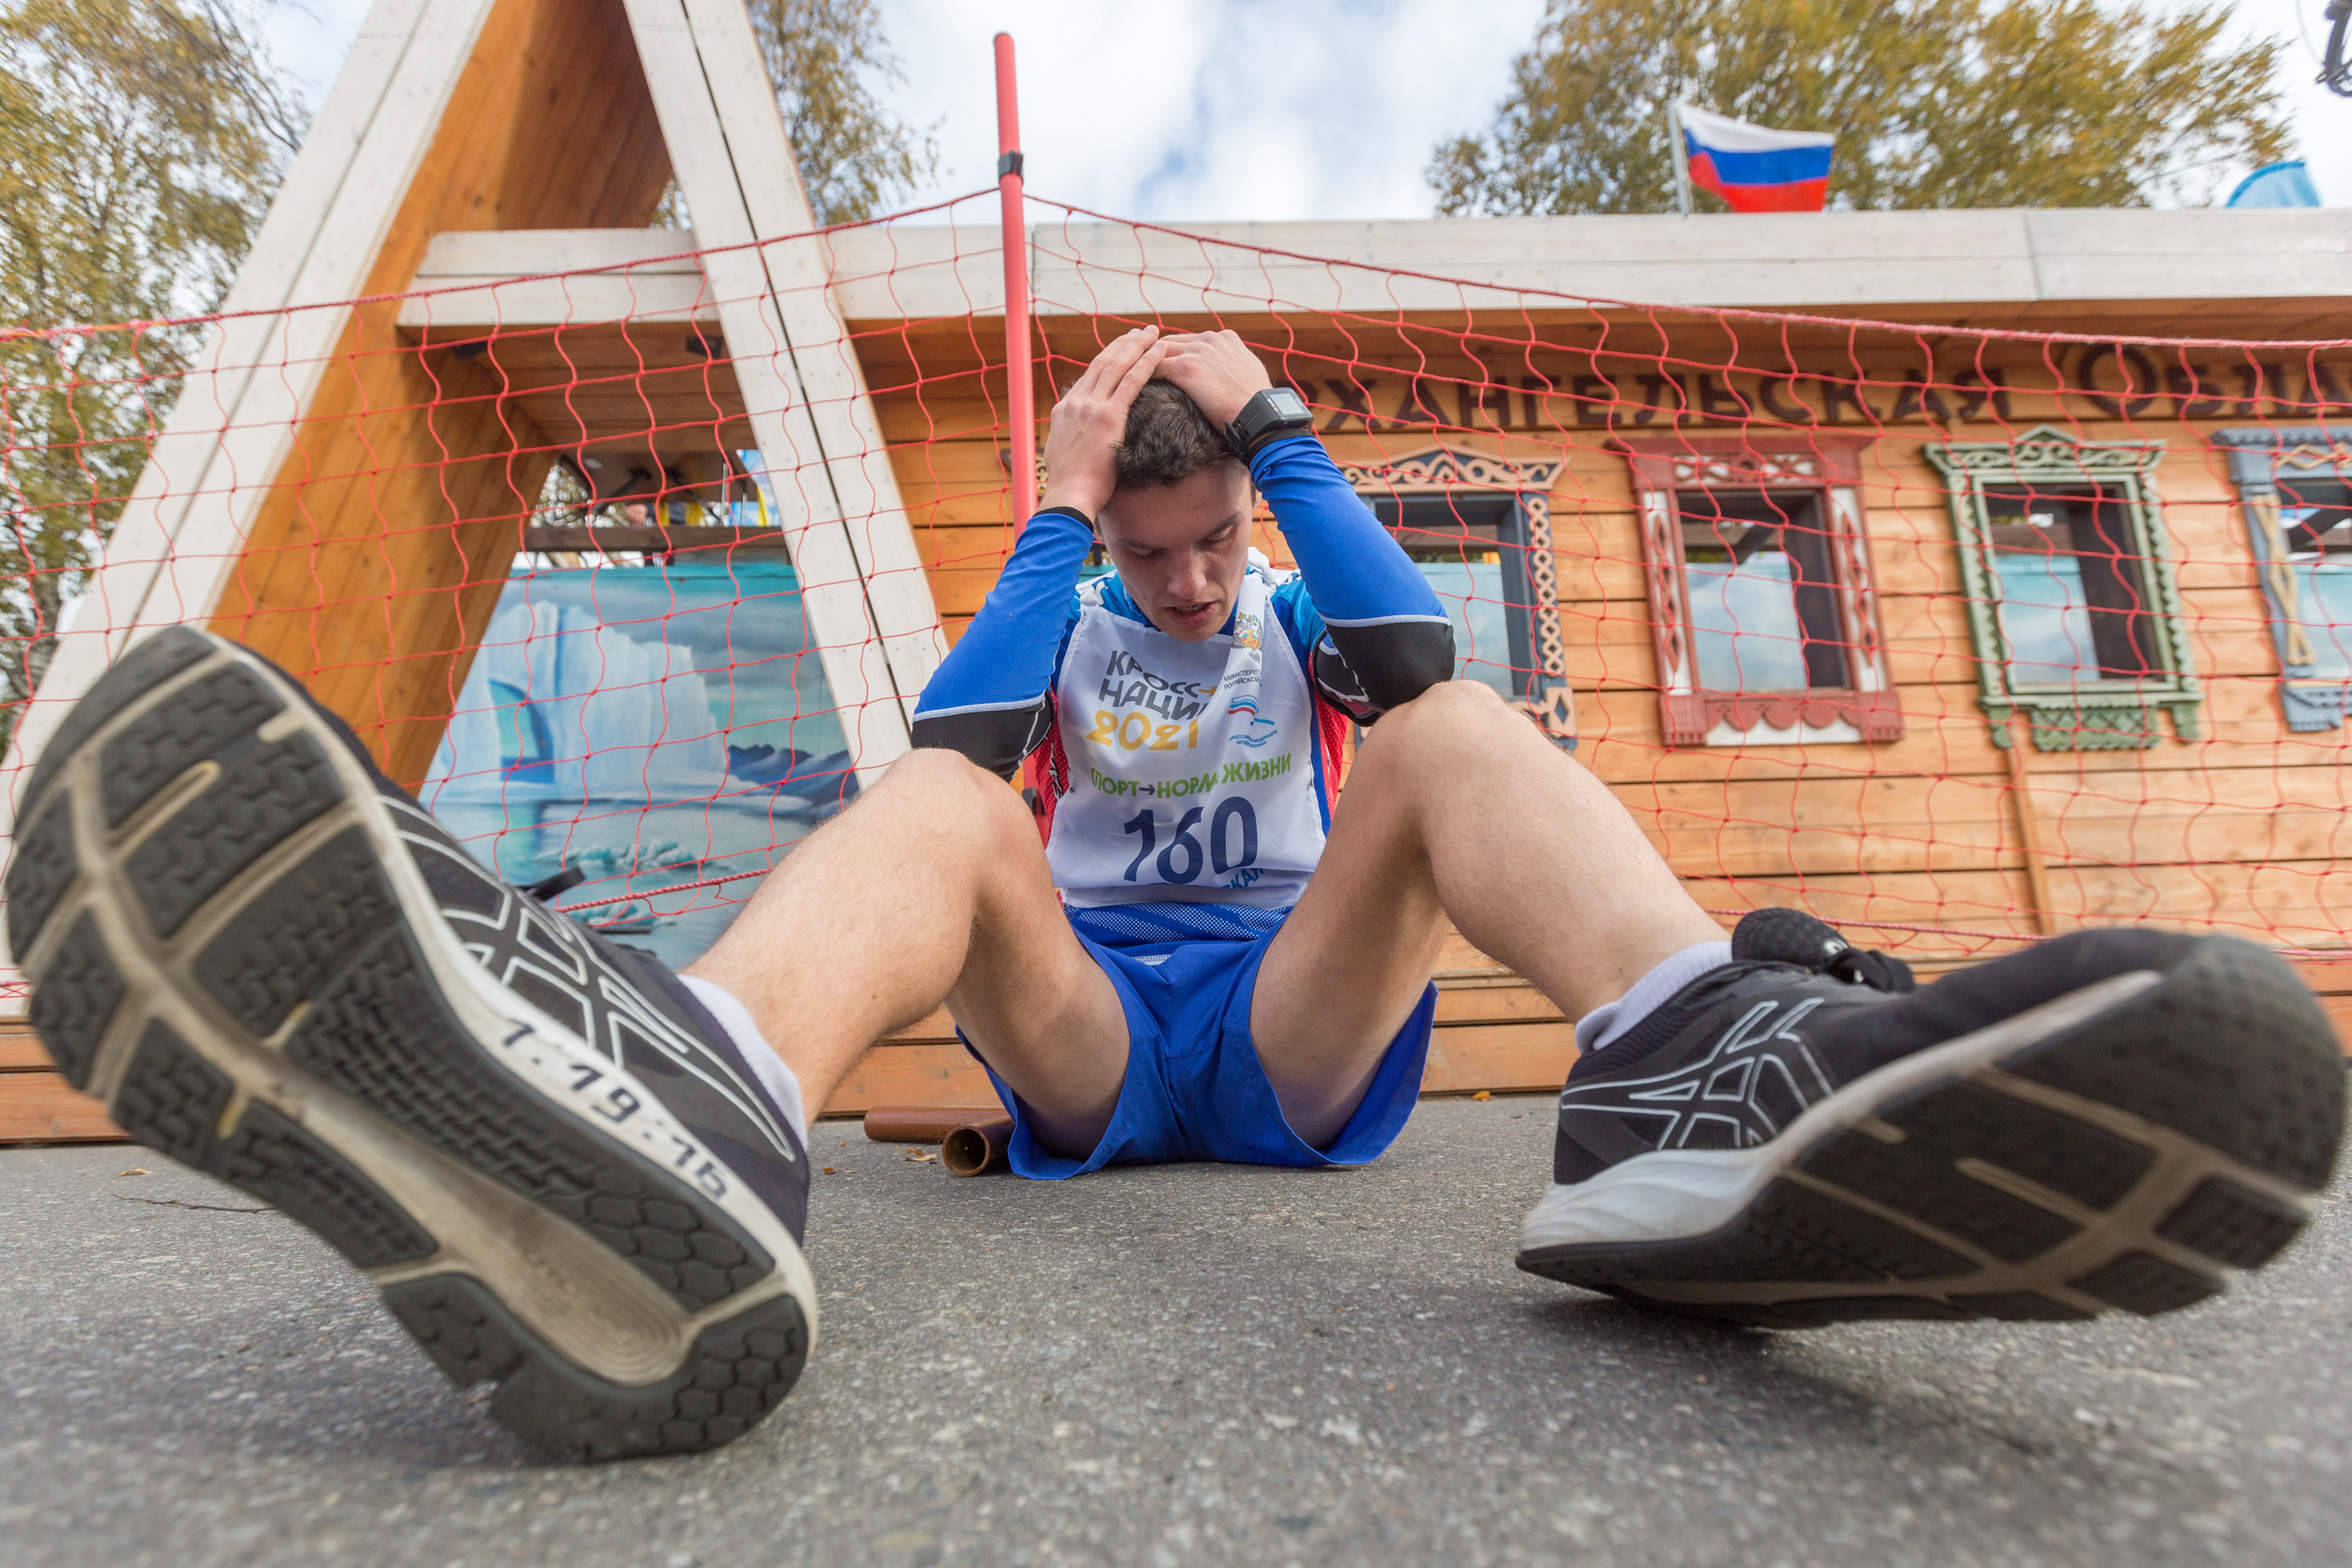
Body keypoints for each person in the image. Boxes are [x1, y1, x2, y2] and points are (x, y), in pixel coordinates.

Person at [8, 328, 2340, 1462]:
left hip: (1300, 1026)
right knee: (951, 815)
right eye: (1162, 549)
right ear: (1100, 540)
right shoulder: (1076, 601)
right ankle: (682, 1109)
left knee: (1442, 737)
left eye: (1217, 536)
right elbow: (945, 762)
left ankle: (1683, 1069)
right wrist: (1048, 510)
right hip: (1099, 1046)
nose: (1200, 578)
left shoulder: (1309, 611)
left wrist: (1283, 435)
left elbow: (1424, 666)